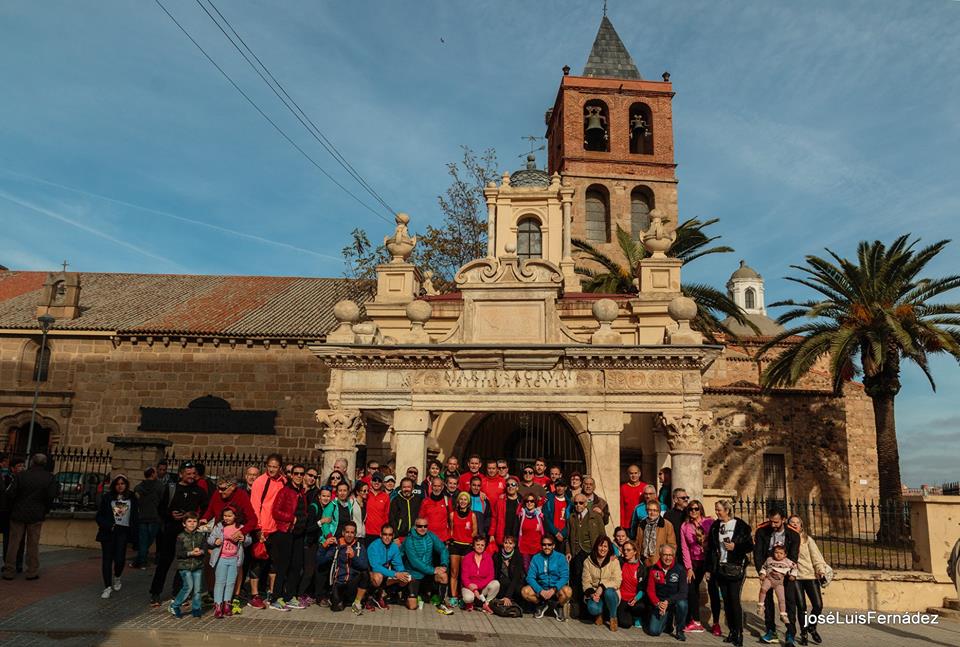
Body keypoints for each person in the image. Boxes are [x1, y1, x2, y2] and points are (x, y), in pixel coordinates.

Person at [149, 461, 205, 606]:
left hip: (188, 534)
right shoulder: (171, 488)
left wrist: (196, 520)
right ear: (181, 474)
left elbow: (205, 510)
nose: (192, 476)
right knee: (164, 562)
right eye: (188, 474)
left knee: (185, 564)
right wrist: (171, 514)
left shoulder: (199, 491)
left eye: (194, 474)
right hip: (170, 531)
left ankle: (178, 592)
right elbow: (160, 509)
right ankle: (155, 593)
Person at [706, 499, 754, 647]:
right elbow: (710, 549)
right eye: (716, 509)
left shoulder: (740, 526)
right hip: (720, 568)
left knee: (734, 601)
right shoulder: (715, 526)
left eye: (719, 509)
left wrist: (736, 546)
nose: (717, 512)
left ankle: (739, 633)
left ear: (727, 510)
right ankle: (732, 631)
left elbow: (749, 546)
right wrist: (709, 569)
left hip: (735, 568)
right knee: (726, 602)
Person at [2, 453, 57, 581]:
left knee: (13, 543)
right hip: (36, 514)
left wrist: (14, 507)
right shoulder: (49, 477)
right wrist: (45, 510)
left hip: (18, 513)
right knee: (33, 544)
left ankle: (9, 570)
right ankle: (32, 571)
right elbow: (51, 496)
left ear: (32, 462)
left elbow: (10, 493)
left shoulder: (21, 475)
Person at [754, 507, 801, 645]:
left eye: (776, 522)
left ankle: (790, 633)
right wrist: (762, 572)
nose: (773, 525)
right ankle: (770, 631)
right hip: (768, 573)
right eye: (771, 521)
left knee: (789, 603)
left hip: (785, 575)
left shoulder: (793, 535)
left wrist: (783, 573)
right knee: (767, 601)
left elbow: (793, 557)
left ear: (783, 520)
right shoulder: (762, 531)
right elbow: (758, 554)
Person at [247, 454, 286, 610]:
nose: (271, 469)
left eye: (275, 466)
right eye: (269, 466)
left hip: (276, 528)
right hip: (262, 528)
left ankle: (271, 592)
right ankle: (255, 594)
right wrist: (258, 528)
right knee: (257, 561)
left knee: (274, 563)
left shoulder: (283, 481)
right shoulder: (260, 482)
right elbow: (255, 506)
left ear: (280, 467)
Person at [95, 474, 138, 598]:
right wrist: (109, 525)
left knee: (120, 559)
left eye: (122, 483)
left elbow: (135, 517)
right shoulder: (107, 498)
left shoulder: (131, 498)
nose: (120, 486)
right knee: (107, 559)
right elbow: (99, 516)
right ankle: (107, 587)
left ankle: (117, 576)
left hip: (123, 532)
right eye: (118, 484)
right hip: (109, 532)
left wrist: (135, 536)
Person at [787, 516, 828, 646]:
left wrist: (820, 569)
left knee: (818, 605)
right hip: (795, 577)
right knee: (802, 607)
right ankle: (804, 632)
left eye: (796, 523)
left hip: (810, 576)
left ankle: (812, 627)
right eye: (791, 523)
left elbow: (816, 556)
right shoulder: (786, 540)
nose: (794, 525)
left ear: (801, 526)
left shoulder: (807, 539)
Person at [680, 498, 718, 635]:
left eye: (696, 508)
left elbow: (715, 543)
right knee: (691, 588)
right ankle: (696, 621)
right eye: (691, 509)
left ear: (700, 509)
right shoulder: (685, 526)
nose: (693, 511)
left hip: (708, 561)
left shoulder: (709, 522)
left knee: (713, 589)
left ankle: (716, 623)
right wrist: (689, 568)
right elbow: (684, 548)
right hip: (695, 561)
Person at [401, 515, 454, 614]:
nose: (423, 528)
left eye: (425, 526)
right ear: (415, 526)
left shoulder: (430, 535)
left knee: (443, 575)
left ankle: (441, 602)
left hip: (428, 574)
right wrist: (433, 570)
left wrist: (443, 564)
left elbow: (443, 549)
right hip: (414, 574)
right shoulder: (409, 540)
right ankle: (407, 595)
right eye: (420, 526)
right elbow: (415, 562)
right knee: (412, 606)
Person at [207, 506, 251, 618]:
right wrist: (215, 541)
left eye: (229, 516)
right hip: (221, 558)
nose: (226, 518)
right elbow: (210, 539)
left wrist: (244, 539)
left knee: (231, 582)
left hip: (234, 559)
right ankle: (218, 605)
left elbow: (248, 540)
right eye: (225, 516)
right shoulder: (219, 526)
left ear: (235, 516)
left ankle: (227, 604)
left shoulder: (240, 527)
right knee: (220, 582)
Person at [566, 493, 605, 618]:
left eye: (581, 503)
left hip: (590, 552)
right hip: (576, 552)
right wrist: (568, 551)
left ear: (586, 503)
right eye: (576, 503)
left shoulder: (596, 517)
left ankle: (591, 609)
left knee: (590, 580)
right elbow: (568, 537)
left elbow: (602, 536)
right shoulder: (571, 518)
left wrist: (603, 553)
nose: (578, 505)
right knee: (577, 579)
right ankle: (577, 607)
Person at [317, 521, 369, 614]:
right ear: (343, 533)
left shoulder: (359, 547)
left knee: (365, 574)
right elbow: (320, 561)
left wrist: (354, 558)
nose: (349, 535)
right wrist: (323, 546)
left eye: (352, 532)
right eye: (347, 532)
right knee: (336, 609)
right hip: (339, 583)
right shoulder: (336, 547)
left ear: (355, 534)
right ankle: (343, 600)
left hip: (352, 583)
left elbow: (364, 565)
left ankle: (357, 602)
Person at [522, 536, 572, 621]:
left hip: (556, 589)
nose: (546, 547)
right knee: (524, 591)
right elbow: (530, 577)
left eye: (549, 544)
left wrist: (554, 589)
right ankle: (541, 604)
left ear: (554, 546)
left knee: (568, 591)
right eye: (544, 544)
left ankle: (558, 606)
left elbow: (565, 577)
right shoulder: (536, 558)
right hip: (542, 589)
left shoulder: (560, 557)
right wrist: (540, 590)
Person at [645, 544, 688, 641]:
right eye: (665, 555)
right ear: (660, 555)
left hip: (674, 602)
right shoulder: (653, 569)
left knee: (683, 604)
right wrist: (658, 603)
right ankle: (668, 621)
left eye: (670, 555)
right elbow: (650, 590)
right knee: (654, 631)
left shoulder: (680, 570)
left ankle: (680, 630)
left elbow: (683, 593)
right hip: (660, 604)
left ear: (673, 556)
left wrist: (668, 601)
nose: (668, 558)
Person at [169, 511, 207, 618]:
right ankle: (175, 605)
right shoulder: (180, 537)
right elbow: (178, 553)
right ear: (184, 524)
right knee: (188, 587)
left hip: (198, 565)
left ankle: (196, 608)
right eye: (189, 521)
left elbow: (205, 546)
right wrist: (191, 553)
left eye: (195, 521)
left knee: (198, 589)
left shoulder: (201, 535)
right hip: (184, 566)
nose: (192, 524)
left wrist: (201, 552)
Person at [582, 535, 622, 631]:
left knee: (608, 592)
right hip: (595, 593)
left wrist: (602, 586)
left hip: (611, 592)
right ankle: (599, 614)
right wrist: (592, 594)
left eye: (605, 546)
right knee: (593, 608)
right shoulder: (588, 562)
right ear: (596, 546)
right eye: (601, 546)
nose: (603, 549)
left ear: (609, 549)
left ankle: (613, 618)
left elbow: (617, 581)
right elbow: (586, 582)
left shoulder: (614, 561)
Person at [368, 524, 411, 607]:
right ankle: (370, 595)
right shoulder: (374, 546)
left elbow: (398, 565)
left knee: (407, 577)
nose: (387, 537)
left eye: (390, 535)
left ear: (393, 536)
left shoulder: (394, 547)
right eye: (385, 534)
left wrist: (402, 573)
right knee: (378, 577)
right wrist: (395, 574)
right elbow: (375, 567)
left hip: (386, 573)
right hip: (372, 573)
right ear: (381, 534)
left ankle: (388, 592)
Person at [448, 492, 477, 607]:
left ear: (468, 502)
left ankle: (462, 596)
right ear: (458, 501)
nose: (463, 501)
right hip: (455, 545)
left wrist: (469, 541)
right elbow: (451, 529)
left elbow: (475, 531)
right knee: (454, 572)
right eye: (461, 499)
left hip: (467, 546)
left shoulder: (472, 515)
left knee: (464, 573)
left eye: (465, 499)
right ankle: (453, 596)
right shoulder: (452, 514)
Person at [758, 544, 798, 626]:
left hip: (779, 583)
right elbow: (764, 567)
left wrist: (793, 575)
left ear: (785, 555)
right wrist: (762, 573)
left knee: (781, 599)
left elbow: (795, 567)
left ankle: (783, 614)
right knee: (763, 589)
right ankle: (761, 605)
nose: (778, 555)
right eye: (776, 552)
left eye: (781, 553)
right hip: (769, 579)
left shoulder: (787, 561)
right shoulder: (769, 559)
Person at [133, 467, 162, 569]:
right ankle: (142, 562)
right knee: (148, 541)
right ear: (153, 474)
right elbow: (162, 501)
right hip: (154, 517)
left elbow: (136, 497)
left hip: (142, 516)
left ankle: (139, 561)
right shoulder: (159, 486)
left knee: (143, 541)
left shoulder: (139, 487)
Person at [460, 536, 498, 612]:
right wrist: (474, 589)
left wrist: (478, 586)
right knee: (468, 598)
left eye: (482, 545)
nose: (480, 547)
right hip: (469, 587)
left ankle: (486, 603)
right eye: (477, 544)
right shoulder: (467, 558)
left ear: (484, 546)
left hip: (482, 587)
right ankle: (470, 603)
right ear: (473, 546)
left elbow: (491, 576)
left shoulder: (488, 558)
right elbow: (464, 577)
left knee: (496, 584)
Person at [617, 540, 646, 630]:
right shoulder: (620, 562)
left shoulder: (641, 568)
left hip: (634, 598)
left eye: (628, 550)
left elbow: (643, 588)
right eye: (624, 550)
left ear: (635, 551)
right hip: (622, 598)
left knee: (640, 607)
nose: (625, 552)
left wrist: (636, 598)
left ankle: (637, 616)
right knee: (625, 624)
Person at [637, 500, 677, 567]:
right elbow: (638, 543)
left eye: (655, 510)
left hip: (660, 562)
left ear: (659, 511)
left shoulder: (667, 525)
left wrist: (667, 561)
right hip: (644, 562)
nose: (652, 513)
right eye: (650, 510)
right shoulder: (642, 524)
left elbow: (672, 545)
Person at [492, 535, 525, 606]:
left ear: (514, 545)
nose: (508, 546)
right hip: (502, 584)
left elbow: (516, 578)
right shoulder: (497, 555)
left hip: (515, 584)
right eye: (506, 543)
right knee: (501, 582)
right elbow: (495, 574)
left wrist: (508, 596)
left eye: (510, 543)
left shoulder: (518, 556)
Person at [490, 477, 521, 547]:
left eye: (513, 484)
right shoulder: (500, 501)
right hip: (502, 535)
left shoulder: (522, 502)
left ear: (517, 487)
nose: (510, 486)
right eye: (508, 485)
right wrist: (491, 534)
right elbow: (494, 518)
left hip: (516, 536)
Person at [517, 493, 545, 570]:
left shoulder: (539, 515)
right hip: (524, 547)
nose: (529, 503)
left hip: (537, 547)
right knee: (526, 568)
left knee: (537, 568)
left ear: (535, 502)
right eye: (527, 501)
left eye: (532, 501)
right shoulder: (521, 514)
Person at [389, 477, 422, 541]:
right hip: (400, 536)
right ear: (401, 488)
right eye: (404, 487)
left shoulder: (418, 500)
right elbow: (392, 519)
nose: (406, 489)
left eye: (409, 487)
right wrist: (395, 537)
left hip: (415, 535)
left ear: (412, 488)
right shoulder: (396, 500)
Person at [420, 477, 452, 542]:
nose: (437, 488)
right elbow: (421, 518)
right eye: (435, 486)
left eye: (439, 486)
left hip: (443, 538)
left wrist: (449, 536)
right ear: (431, 486)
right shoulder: (425, 501)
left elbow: (451, 519)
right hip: (428, 537)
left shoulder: (447, 501)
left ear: (442, 487)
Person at [543, 479, 570, 552]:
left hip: (563, 536)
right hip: (551, 533)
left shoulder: (569, 502)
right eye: (558, 486)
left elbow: (570, 520)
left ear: (566, 488)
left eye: (562, 486)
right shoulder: (549, 498)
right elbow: (546, 517)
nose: (560, 488)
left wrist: (563, 533)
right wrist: (556, 532)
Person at [663, 488, 689, 563]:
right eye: (683, 498)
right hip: (675, 553)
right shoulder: (668, 515)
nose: (686, 499)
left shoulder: (690, 513)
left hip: (688, 553)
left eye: (687, 497)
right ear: (675, 500)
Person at [364, 473, 390, 546]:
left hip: (380, 532)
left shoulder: (386, 496)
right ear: (371, 481)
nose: (377, 482)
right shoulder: (366, 494)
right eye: (374, 480)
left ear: (382, 483)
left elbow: (386, 515)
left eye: (379, 481)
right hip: (367, 532)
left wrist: (385, 531)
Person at [620, 464, 648, 529]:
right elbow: (621, 507)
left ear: (639, 474)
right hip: (628, 524)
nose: (634, 475)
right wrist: (622, 524)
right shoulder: (623, 488)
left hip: (642, 522)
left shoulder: (645, 487)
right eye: (631, 473)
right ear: (628, 474)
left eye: (636, 473)